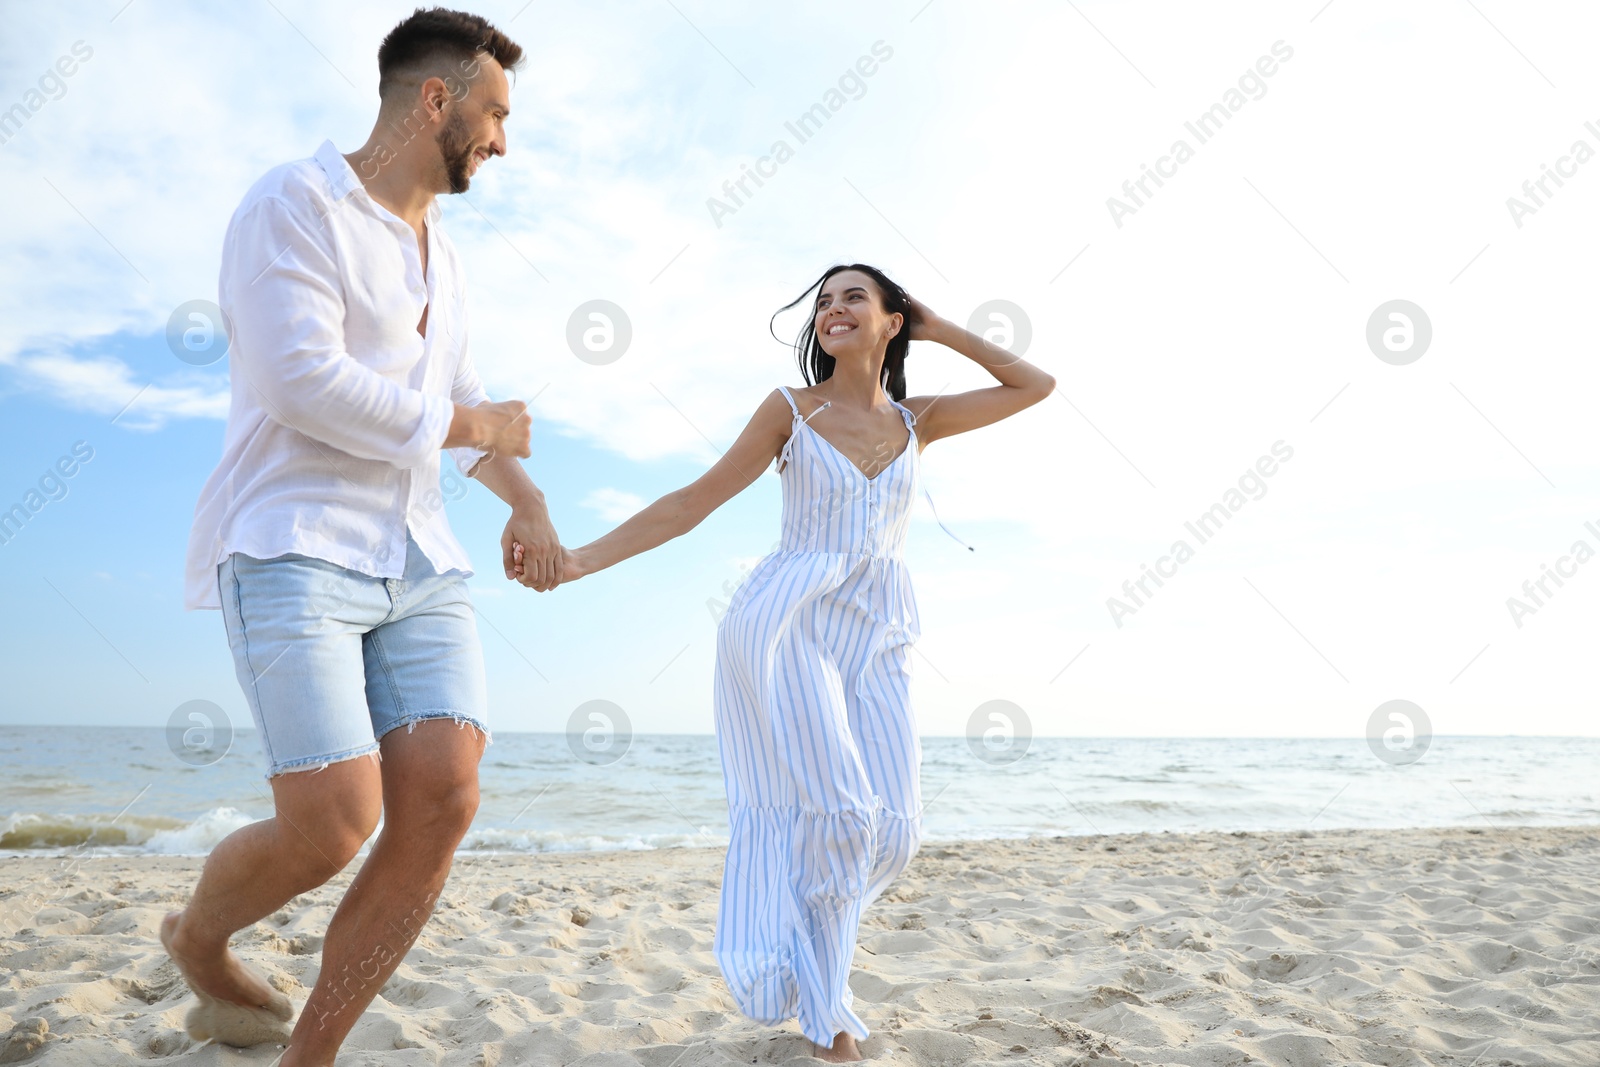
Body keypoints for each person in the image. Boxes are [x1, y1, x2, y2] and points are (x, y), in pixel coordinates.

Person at [520, 263, 1055, 1061]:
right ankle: (830, 1018)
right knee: (841, 815)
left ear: (890, 320)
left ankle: (804, 948)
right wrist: (578, 561)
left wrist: (939, 325)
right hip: (788, 625)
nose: (833, 309)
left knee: (895, 829)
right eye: (824, 301)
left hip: (879, 633)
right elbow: (691, 502)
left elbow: (1034, 384)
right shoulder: (791, 411)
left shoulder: (919, 421)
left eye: (854, 298)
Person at [167, 10, 560, 1064]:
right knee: (333, 822)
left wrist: (523, 497)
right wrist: (474, 427)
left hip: (421, 559)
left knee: (442, 796)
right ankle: (197, 934)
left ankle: (313, 1052)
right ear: (435, 100)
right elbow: (303, 383)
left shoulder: (450, 260)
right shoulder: (292, 203)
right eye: (494, 114)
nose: (501, 141)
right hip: (293, 543)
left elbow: (460, 397)